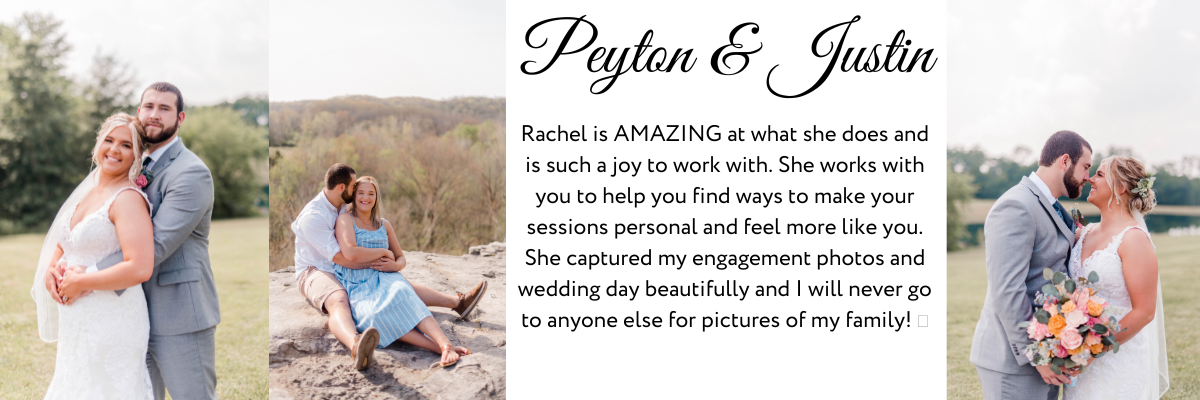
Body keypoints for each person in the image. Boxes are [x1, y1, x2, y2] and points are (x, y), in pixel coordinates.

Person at [38, 82, 220, 400]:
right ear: (139, 112)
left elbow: (157, 244)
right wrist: (56, 267)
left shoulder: (191, 173)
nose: (154, 114)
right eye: (148, 106)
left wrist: (83, 277)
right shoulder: (134, 165)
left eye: (164, 108)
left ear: (180, 118)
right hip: (123, 309)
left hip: (176, 311)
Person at [291, 163, 487, 370]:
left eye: (368, 193)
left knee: (397, 288)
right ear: (342, 188)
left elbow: (377, 237)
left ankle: (458, 304)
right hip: (317, 270)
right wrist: (383, 255)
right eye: (354, 188)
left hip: (347, 264)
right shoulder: (313, 216)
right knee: (339, 299)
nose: (360, 194)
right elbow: (343, 256)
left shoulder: (344, 205)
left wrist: (391, 265)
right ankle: (356, 345)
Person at [33, 113, 155, 399]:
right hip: (77, 318)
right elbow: (68, 242)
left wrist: (81, 281)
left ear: (137, 155)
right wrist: (51, 269)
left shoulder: (127, 199)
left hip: (113, 318)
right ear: (97, 144)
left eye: (126, 145)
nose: (114, 149)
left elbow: (140, 267)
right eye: (109, 140)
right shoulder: (86, 194)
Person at [970, 130, 1093, 399]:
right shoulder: (1017, 205)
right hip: (1014, 362)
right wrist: (1037, 355)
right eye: (1085, 167)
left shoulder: (1052, 205)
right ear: (1064, 161)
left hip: (1047, 355)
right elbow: (1007, 289)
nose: (1088, 177)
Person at [333, 176, 473, 368]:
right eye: (361, 193)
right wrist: (383, 252)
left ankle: (444, 342)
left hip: (385, 276)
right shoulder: (345, 219)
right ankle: (440, 348)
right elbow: (351, 253)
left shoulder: (384, 224)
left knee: (403, 292)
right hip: (356, 280)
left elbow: (400, 257)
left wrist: (396, 266)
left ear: (377, 198)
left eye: (371, 194)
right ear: (354, 196)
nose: (366, 197)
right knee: (373, 317)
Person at [1065, 156, 1169, 399]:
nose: (1090, 178)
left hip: (1118, 359)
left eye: (1099, 175)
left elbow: (1144, 312)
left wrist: (1093, 349)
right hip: (1079, 357)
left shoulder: (1133, 239)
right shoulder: (1084, 232)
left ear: (1121, 187)